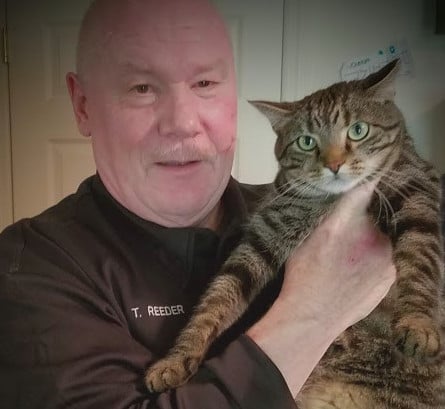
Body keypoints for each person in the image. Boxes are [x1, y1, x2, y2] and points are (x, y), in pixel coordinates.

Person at [0, 0, 396, 408]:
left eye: (205, 84)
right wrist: (312, 314)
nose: (184, 122)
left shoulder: (318, 217)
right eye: (141, 88)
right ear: (82, 105)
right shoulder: (30, 268)